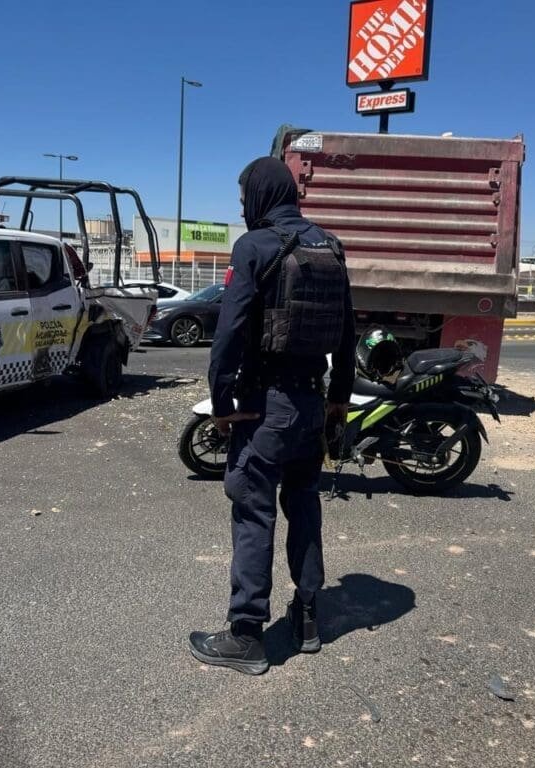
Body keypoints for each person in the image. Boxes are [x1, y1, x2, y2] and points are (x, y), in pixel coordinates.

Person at [189, 157, 356, 675]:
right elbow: (347, 331)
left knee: (253, 511)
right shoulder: (330, 247)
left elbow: (228, 333)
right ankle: (307, 618)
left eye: (244, 199)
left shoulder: (255, 246)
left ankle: (246, 635)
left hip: (266, 408)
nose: (243, 207)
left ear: (260, 196)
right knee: (303, 505)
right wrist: (338, 398)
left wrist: (222, 406)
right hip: (312, 404)